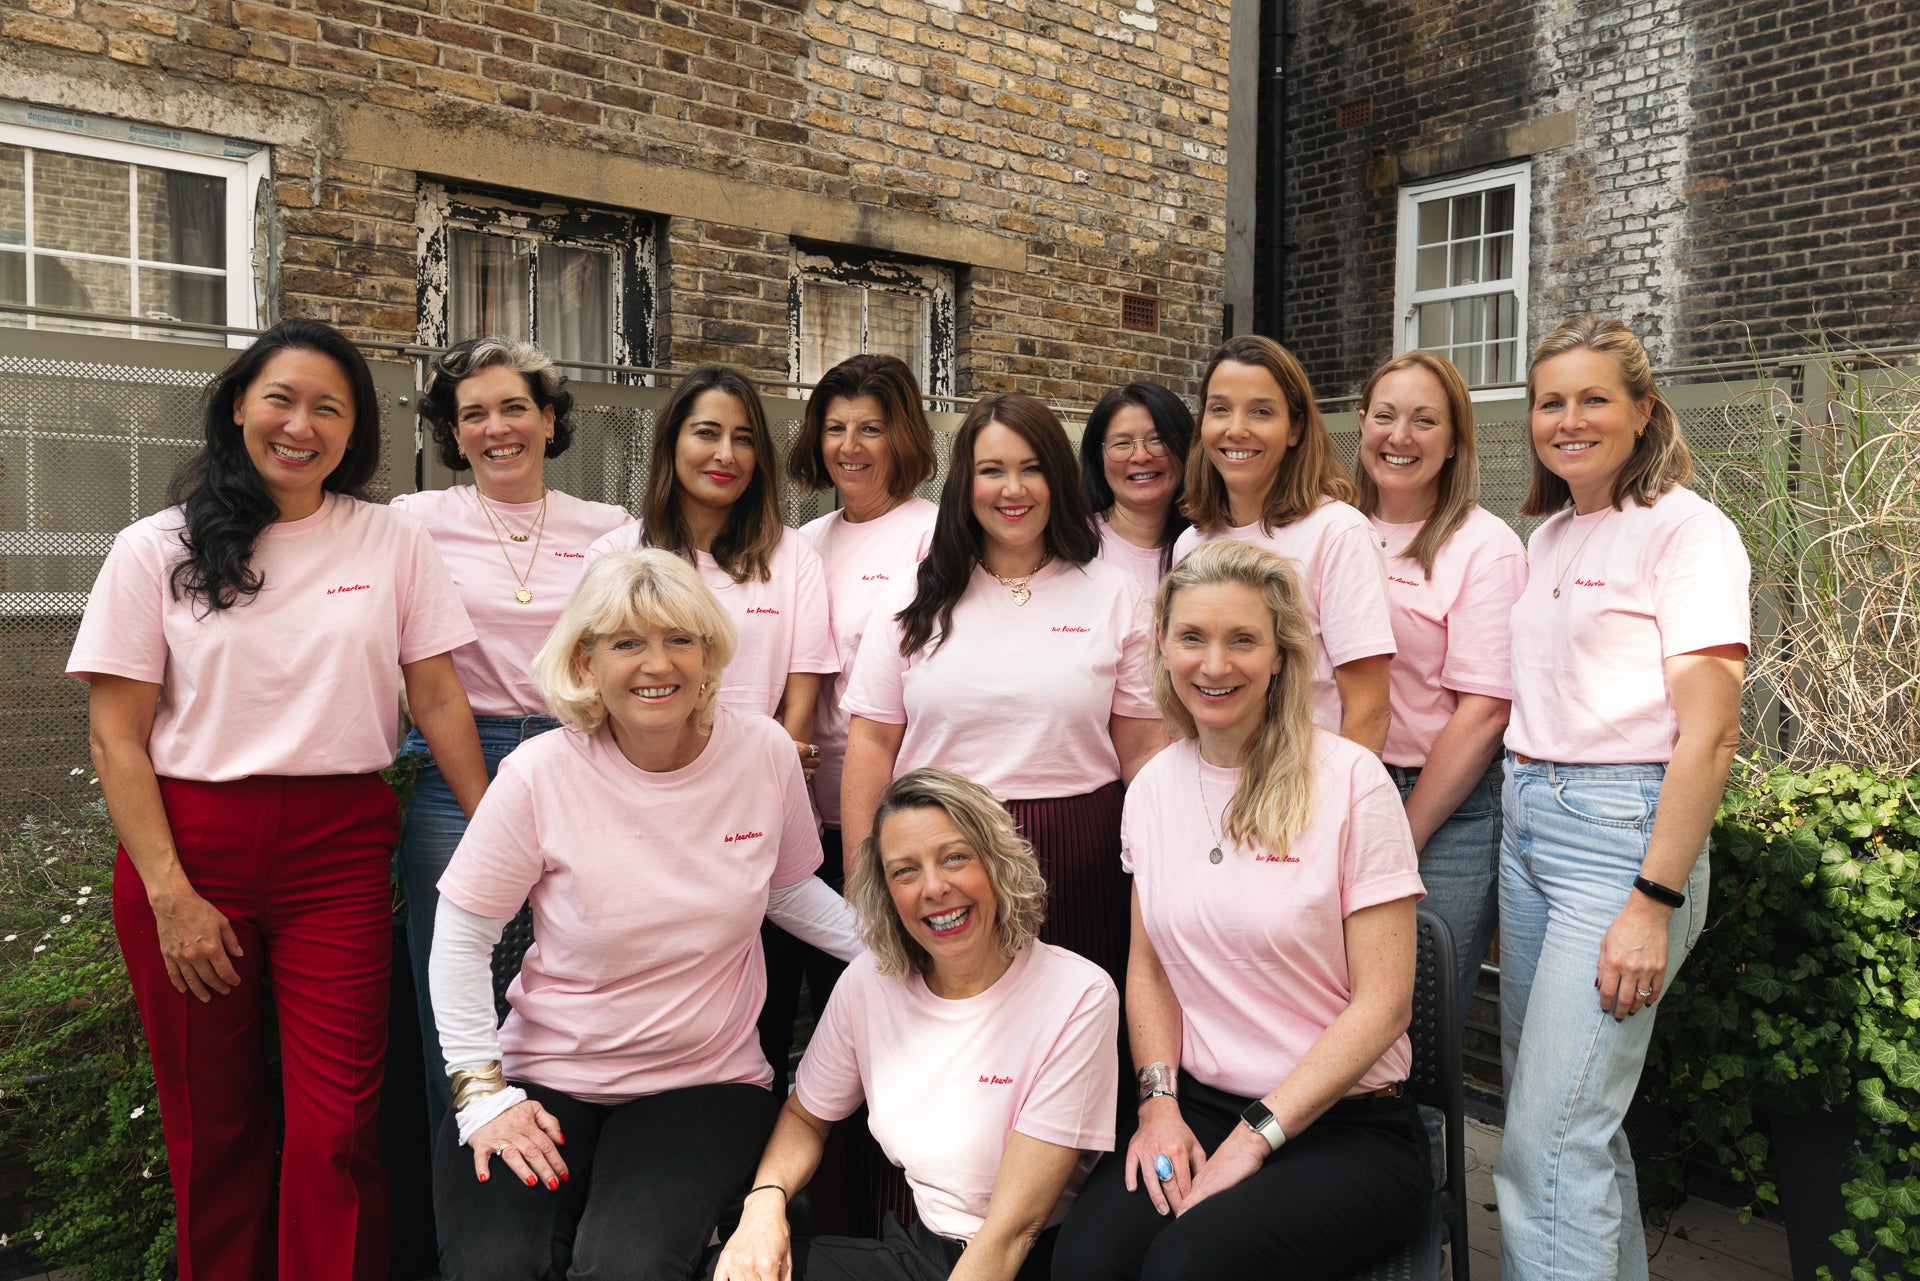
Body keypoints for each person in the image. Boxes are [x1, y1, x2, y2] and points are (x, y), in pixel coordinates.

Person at [71, 319, 489, 1280]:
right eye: (281, 399)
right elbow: (115, 736)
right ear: (236, 409)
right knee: (211, 1124)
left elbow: (434, 696)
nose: (301, 425)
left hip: (336, 851)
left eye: (329, 409)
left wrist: (504, 826)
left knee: (338, 1126)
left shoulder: (391, 539)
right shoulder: (153, 548)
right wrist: (171, 895)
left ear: (354, 433)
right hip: (187, 850)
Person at [427, 549, 862, 1281]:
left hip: (704, 1081)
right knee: (494, 1265)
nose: (656, 663)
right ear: (586, 662)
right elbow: (463, 936)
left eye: (678, 639)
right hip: (545, 1073)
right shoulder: (540, 774)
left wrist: (902, 953)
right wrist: (481, 1094)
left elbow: (785, 889)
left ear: (709, 654)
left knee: (626, 1266)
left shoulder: (763, 752)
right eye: (627, 642)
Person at [1054, 538, 1429, 1281]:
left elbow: (1384, 1007)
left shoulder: (1352, 781)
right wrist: (1158, 1104)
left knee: (1187, 1268)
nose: (1215, 665)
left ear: (1282, 654)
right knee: (1086, 1262)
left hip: (1345, 1125)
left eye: (1243, 640)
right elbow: (1150, 967)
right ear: (1162, 646)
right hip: (1196, 1104)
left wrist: (1256, 1137)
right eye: (1192, 637)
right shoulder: (1155, 787)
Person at [1494, 316, 1748, 1281]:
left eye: (1594, 397)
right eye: (1549, 401)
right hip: (1530, 823)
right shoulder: (1549, 531)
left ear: (1644, 410)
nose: (1569, 419)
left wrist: (1654, 902)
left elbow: (1712, 733)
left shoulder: (1688, 531)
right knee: (1563, 1123)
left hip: (1619, 842)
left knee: (1546, 1148)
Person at [714, 768, 1120, 1281]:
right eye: (904, 871)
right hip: (921, 1252)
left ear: (998, 865)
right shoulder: (870, 982)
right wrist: (763, 1208)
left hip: (1024, 1260)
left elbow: (1014, 1230)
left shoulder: (1077, 995)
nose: (934, 888)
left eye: (954, 858)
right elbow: (804, 1117)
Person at [390, 336, 634, 1141]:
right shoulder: (415, 521)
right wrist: (487, 803)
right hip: (461, 767)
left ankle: (560, 1201)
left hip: (585, 762)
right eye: (474, 414)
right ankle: (471, 1219)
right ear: (452, 434)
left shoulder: (610, 528)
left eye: (514, 407)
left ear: (550, 418)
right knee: (459, 1002)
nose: (497, 428)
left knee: (571, 986)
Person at [841, 393, 1166, 987]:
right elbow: (871, 747)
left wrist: (1163, 859)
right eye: (992, 471)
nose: (1011, 489)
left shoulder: (1115, 593)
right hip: (941, 857)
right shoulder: (911, 598)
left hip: (1081, 854)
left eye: (1031, 468)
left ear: (1058, 480)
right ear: (966, 484)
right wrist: (867, 885)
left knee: (1079, 1035)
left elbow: (1143, 751)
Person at [1353, 349, 1526, 1023]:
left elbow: (1484, 712)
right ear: (1362, 421)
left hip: (1442, 810)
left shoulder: (1486, 547)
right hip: (1332, 790)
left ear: (1454, 442)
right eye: (1386, 416)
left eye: (1425, 421)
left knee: (1413, 1034)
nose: (1401, 437)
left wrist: (1402, 832)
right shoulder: (1331, 527)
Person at [587, 363, 835, 762]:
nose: (725, 454)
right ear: (671, 441)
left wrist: (768, 774)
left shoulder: (793, 554)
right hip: (645, 783)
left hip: (756, 781)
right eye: (706, 433)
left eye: (743, 439)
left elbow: (800, 703)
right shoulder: (613, 555)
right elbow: (596, 691)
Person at [1172, 335, 1395, 752]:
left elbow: (1369, 709)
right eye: (1219, 409)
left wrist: (1340, 810)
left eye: (1261, 412)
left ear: (1294, 428)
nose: (1236, 430)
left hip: (1306, 791)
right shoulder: (1190, 543)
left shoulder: (1338, 533)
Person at [1076, 381, 1195, 598]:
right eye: (1122, 444)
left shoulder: (1207, 543)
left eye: (1157, 439)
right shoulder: (1073, 545)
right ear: (1098, 460)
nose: (1141, 456)